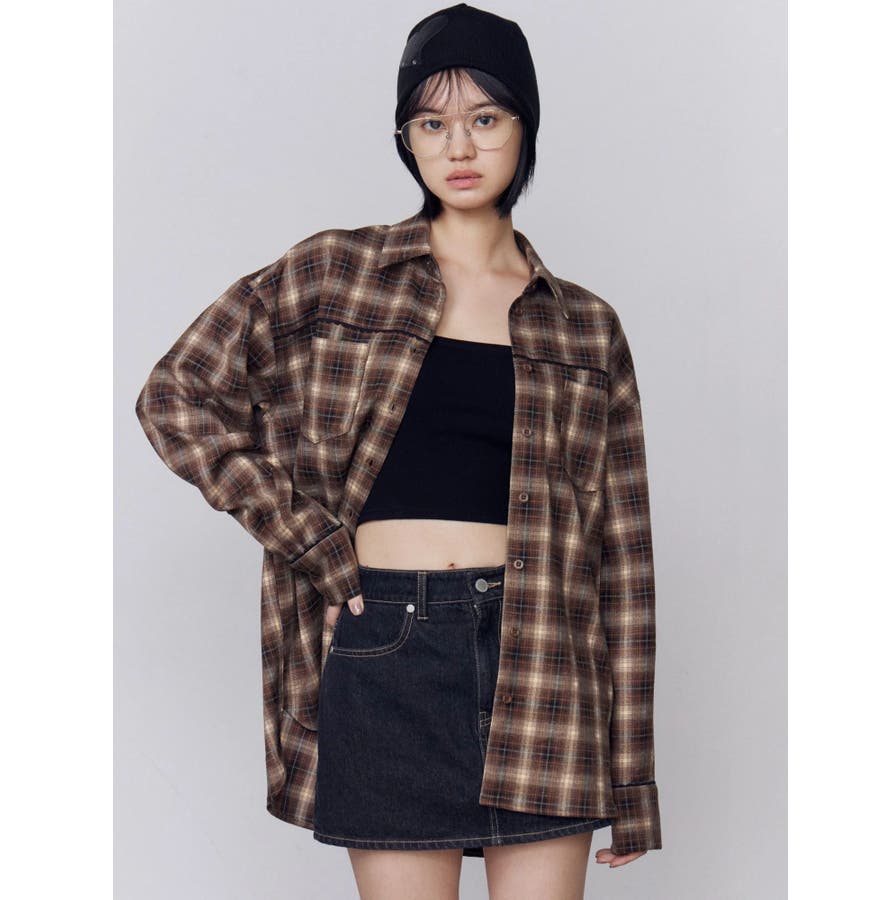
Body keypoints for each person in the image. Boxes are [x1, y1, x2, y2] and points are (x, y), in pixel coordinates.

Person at [135, 4, 662, 898]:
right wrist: (305, 535)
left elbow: (624, 561)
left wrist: (635, 784)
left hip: (544, 657)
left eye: (485, 118)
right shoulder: (333, 275)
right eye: (431, 123)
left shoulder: (585, 325)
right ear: (405, 140)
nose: (459, 146)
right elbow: (175, 395)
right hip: (386, 649)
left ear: (526, 129)